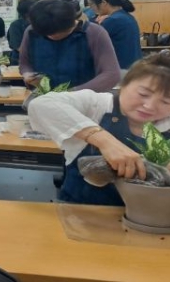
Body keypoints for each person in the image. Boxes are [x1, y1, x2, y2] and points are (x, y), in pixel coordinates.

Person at [28, 52, 170, 206]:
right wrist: (104, 141)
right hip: (80, 210)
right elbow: (41, 104)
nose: (149, 106)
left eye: (166, 102)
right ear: (124, 85)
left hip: (145, 215)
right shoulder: (96, 105)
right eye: (143, 94)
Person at [19, 0, 121, 91]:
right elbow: (24, 63)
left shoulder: (94, 33)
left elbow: (111, 74)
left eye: (57, 34)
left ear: (71, 23)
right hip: (44, 96)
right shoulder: (32, 31)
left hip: (83, 97)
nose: (52, 37)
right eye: (46, 35)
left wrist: (71, 94)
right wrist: (28, 74)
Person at [87, 0, 143, 71]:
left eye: (91, 5)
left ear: (103, 3)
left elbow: (90, 40)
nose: (91, 8)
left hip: (121, 68)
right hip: (134, 66)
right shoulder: (127, 16)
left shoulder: (112, 20)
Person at [6, 0, 39, 65]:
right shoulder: (16, 25)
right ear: (27, 13)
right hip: (20, 60)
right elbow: (18, 47)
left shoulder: (41, 23)